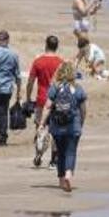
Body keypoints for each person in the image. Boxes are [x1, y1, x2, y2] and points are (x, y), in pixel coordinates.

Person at [39, 62, 88, 192]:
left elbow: (48, 107)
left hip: (57, 126)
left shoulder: (54, 88)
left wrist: (42, 123)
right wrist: (81, 122)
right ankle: (68, 175)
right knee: (71, 151)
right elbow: (83, 110)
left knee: (60, 153)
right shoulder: (78, 89)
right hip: (73, 126)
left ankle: (61, 181)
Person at [25, 35, 65, 167]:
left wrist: (28, 97)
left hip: (41, 99)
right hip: (57, 100)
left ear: (46, 45)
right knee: (56, 130)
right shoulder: (61, 62)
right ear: (56, 46)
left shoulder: (38, 62)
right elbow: (64, 82)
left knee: (40, 127)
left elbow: (30, 81)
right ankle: (54, 160)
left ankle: (38, 154)